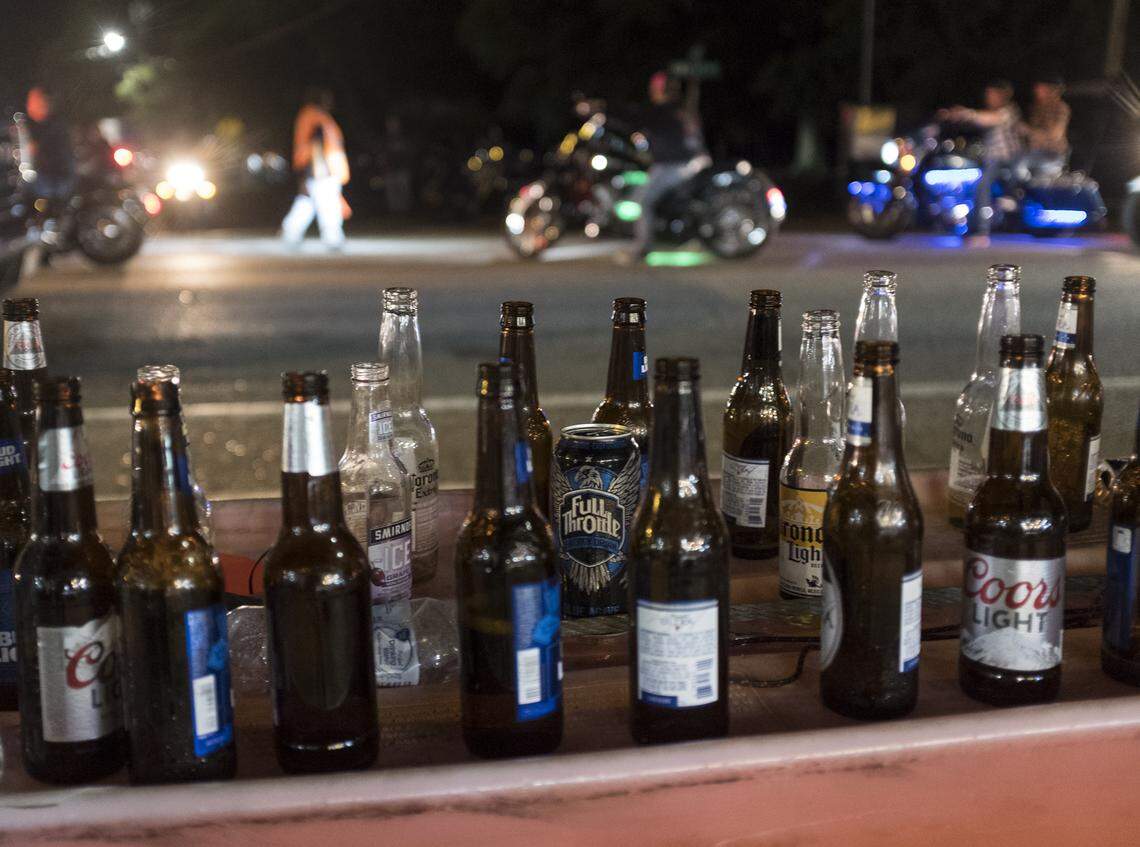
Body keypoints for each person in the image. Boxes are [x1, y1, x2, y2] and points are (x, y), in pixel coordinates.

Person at [625, 71, 708, 260]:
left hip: (678, 164)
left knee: (642, 200)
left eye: (655, 88)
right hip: (693, 161)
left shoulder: (664, 110)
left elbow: (635, 117)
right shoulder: (682, 109)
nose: (653, 92)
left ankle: (642, 247)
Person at [940, 80, 1022, 244]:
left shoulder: (1008, 111)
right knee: (974, 183)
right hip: (992, 159)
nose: (988, 98)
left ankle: (981, 231)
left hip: (1006, 160)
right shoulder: (993, 112)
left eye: (992, 94)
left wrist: (966, 113)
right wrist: (953, 116)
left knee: (982, 186)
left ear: (1001, 95)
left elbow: (989, 119)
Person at [280, 87, 350, 249]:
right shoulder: (315, 117)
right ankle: (333, 236)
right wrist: (315, 171)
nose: (330, 102)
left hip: (319, 167)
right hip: (321, 168)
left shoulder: (313, 116)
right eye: (327, 98)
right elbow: (315, 144)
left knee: (307, 201)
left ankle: (290, 231)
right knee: (328, 202)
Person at [1019, 74, 1070, 174]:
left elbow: (1055, 135)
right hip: (1034, 153)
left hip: (1052, 155)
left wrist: (1027, 131)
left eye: (1040, 88)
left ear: (1052, 90)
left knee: (1019, 167)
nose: (1036, 90)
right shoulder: (1035, 107)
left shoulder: (1060, 108)